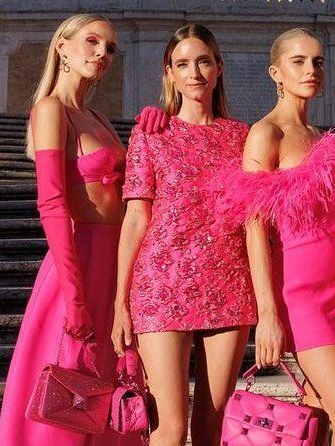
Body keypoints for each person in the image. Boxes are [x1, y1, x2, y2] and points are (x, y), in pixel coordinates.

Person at [215, 28, 335, 445]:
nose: (311, 70)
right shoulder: (267, 134)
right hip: (301, 295)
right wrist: (267, 314)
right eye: (298, 61)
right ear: (276, 73)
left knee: (319, 418)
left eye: (317, 62)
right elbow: (253, 229)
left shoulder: (321, 136)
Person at [0, 14, 139, 446]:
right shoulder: (50, 110)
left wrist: (155, 128)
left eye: (110, 48)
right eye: (92, 41)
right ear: (62, 46)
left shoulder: (99, 118)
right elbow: (52, 204)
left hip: (117, 263)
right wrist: (74, 297)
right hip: (78, 263)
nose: (102, 53)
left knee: (111, 391)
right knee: (69, 391)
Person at [111, 24, 256, 446]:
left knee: (212, 426)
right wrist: (120, 302)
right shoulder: (151, 134)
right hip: (161, 284)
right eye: (183, 64)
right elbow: (135, 217)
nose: (194, 73)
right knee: (169, 429)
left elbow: (255, 216)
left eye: (203, 61)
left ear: (218, 67)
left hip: (229, 282)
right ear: (169, 73)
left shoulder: (243, 136)